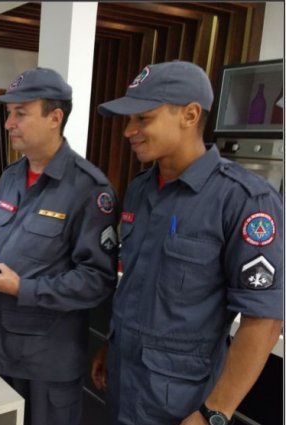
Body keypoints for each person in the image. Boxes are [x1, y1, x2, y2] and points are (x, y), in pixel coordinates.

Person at [91, 60, 283, 425]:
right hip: (123, 381)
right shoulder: (140, 189)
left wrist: (215, 412)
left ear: (190, 115)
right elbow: (137, 284)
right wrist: (110, 344)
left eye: (142, 118)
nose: (128, 131)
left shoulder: (244, 200)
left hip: (180, 403)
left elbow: (264, 320)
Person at [0, 67, 118, 425]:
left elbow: (97, 280)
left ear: (55, 117)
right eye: (8, 114)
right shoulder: (11, 176)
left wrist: (24, 288)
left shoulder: (89, 190)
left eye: (20, 113)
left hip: (47, 361)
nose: (8, 124)